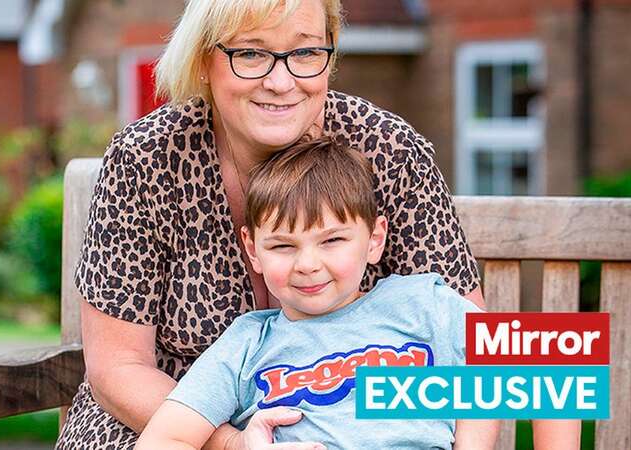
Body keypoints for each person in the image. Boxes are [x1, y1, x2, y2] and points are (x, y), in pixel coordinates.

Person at [56, 0, 508, 448]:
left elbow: (477, 354)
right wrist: (234, 444)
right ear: (202, 60)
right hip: (159, 417)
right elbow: (119, 368)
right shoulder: (147, 159)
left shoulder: (389, 150)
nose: (281, 81)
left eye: (306, 52)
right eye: (250, 53)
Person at [134, 137, 496, 450]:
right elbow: (165, 439)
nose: (307, 264)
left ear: (374, 239)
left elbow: (533, 359)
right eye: (282, 246)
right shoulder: (247, 345)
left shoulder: (420, 305)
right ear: (253, 249)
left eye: (332, 240)